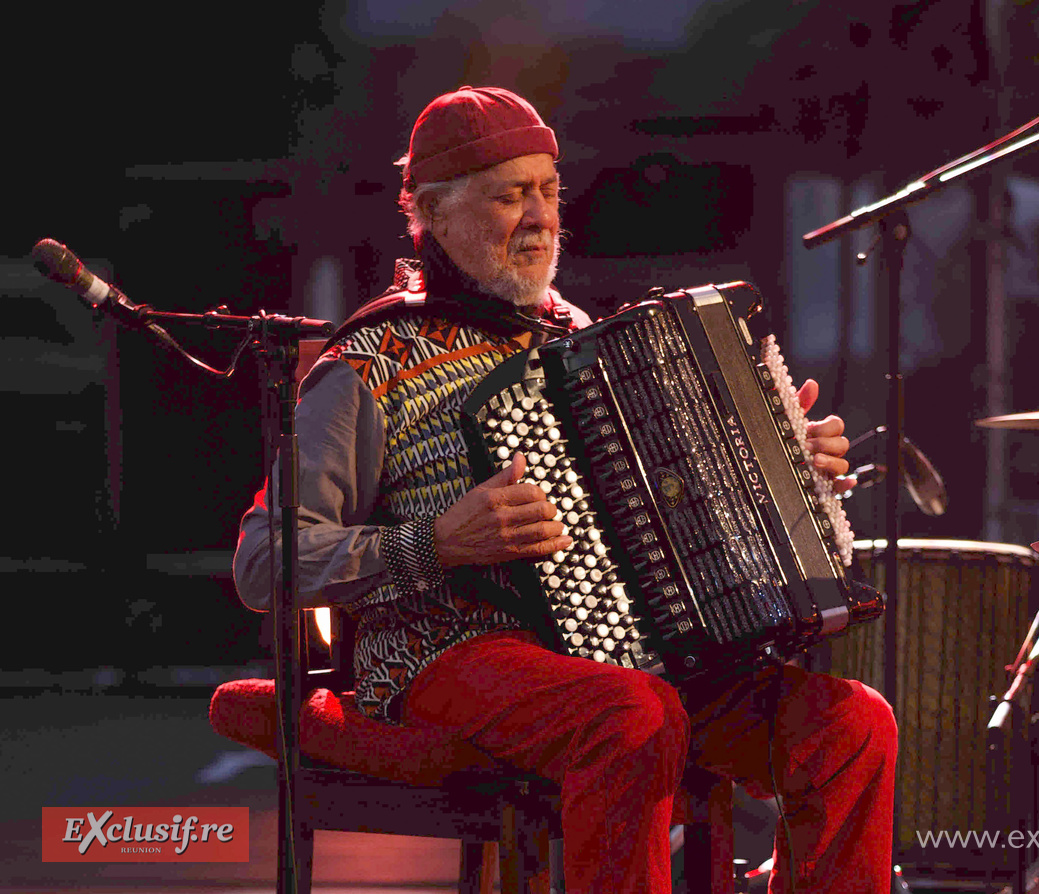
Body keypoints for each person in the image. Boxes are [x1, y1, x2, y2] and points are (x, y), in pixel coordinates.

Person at [234, 85, 897, 894]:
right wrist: (436, 543)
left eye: (548, 190)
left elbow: (659, 518)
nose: (541, 215)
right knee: (630, 715)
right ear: (433, 214)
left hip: (625, 657)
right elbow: (265, 562)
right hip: (443, 656)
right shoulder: (366, 362)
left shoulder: (579, 337)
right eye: (510, 195)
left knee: (852, 725)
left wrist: (781, 462)